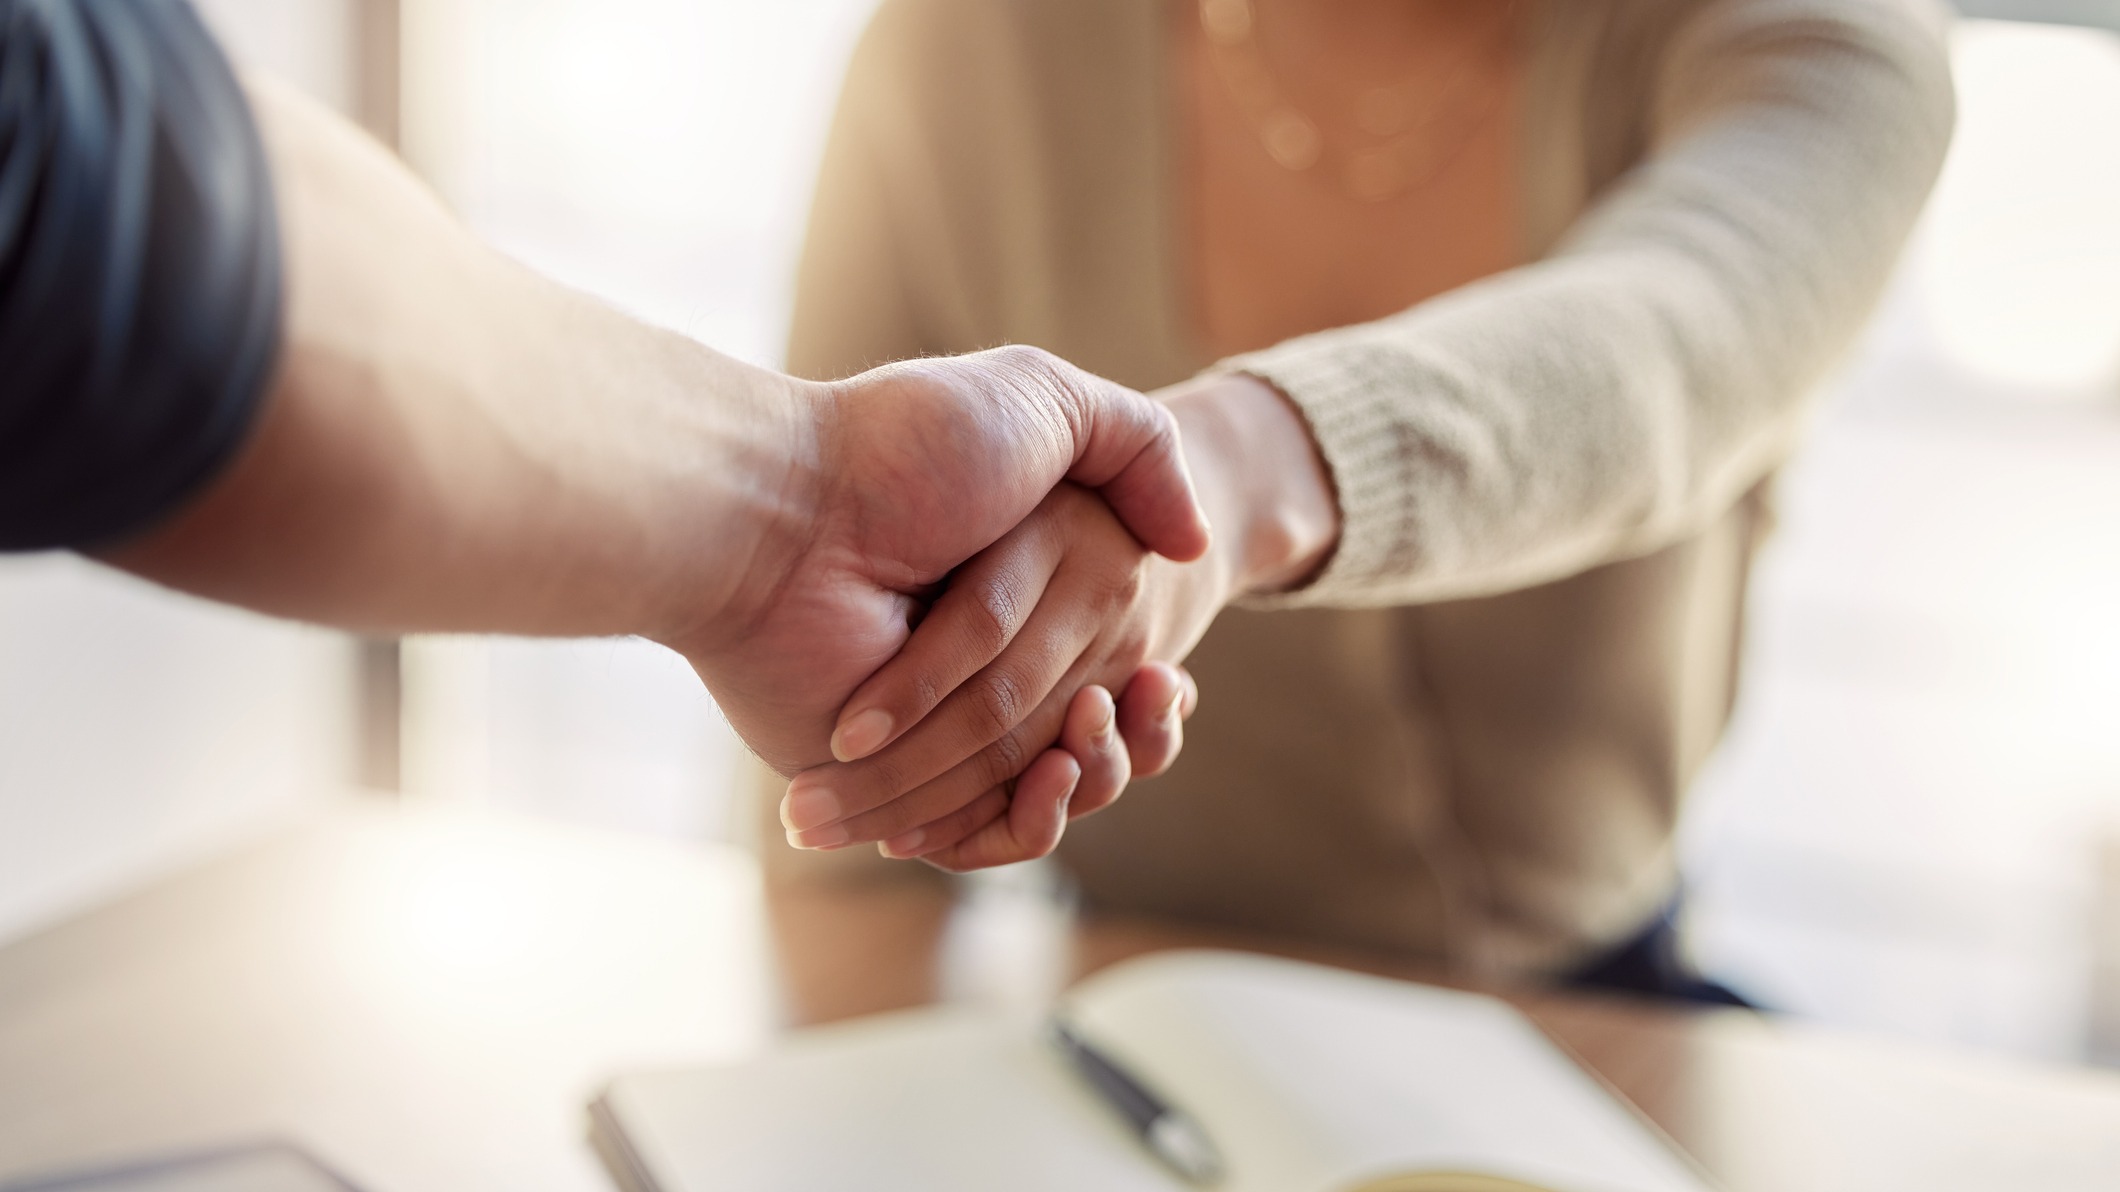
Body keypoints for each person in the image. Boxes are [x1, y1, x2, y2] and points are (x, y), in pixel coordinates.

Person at [760, 0, 1957, 1008]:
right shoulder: (964, 43)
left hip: (1585, 1024)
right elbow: (828, 670)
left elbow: (1676, 342)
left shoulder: (1819, 41)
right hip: (1117, 1023)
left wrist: (1227, 471)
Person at [0, 0, 1218, 850]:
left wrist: (793, 514)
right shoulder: (967, 50)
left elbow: (82, 187)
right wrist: (790, 512)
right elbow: (92, 211)